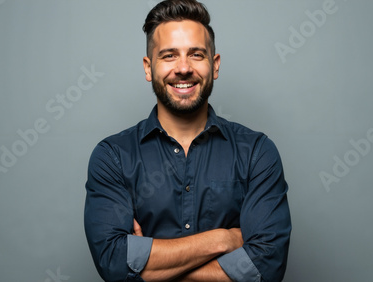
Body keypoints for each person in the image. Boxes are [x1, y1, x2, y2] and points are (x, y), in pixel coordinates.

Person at [84, 0, 291, 281]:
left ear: (214, 65)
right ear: (148, 68)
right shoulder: (113, 157)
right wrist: (223, 240)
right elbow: (114, 263)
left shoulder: (256, 152)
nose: (183, 68)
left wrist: (150, 268)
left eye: (196, 54)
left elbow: (266, 268)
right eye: (169, 56)